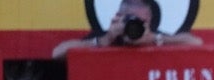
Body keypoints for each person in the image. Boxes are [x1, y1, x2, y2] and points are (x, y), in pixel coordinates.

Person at [52, 0, 202, 59]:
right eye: (128, 18)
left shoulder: (153, 37)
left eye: (139, 20)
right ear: (118, 17)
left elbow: (196, 43)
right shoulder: (107, 37)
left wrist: (155, 39)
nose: (134, 25)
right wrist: (102, 41)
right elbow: (58, 53)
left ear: (149, 21)